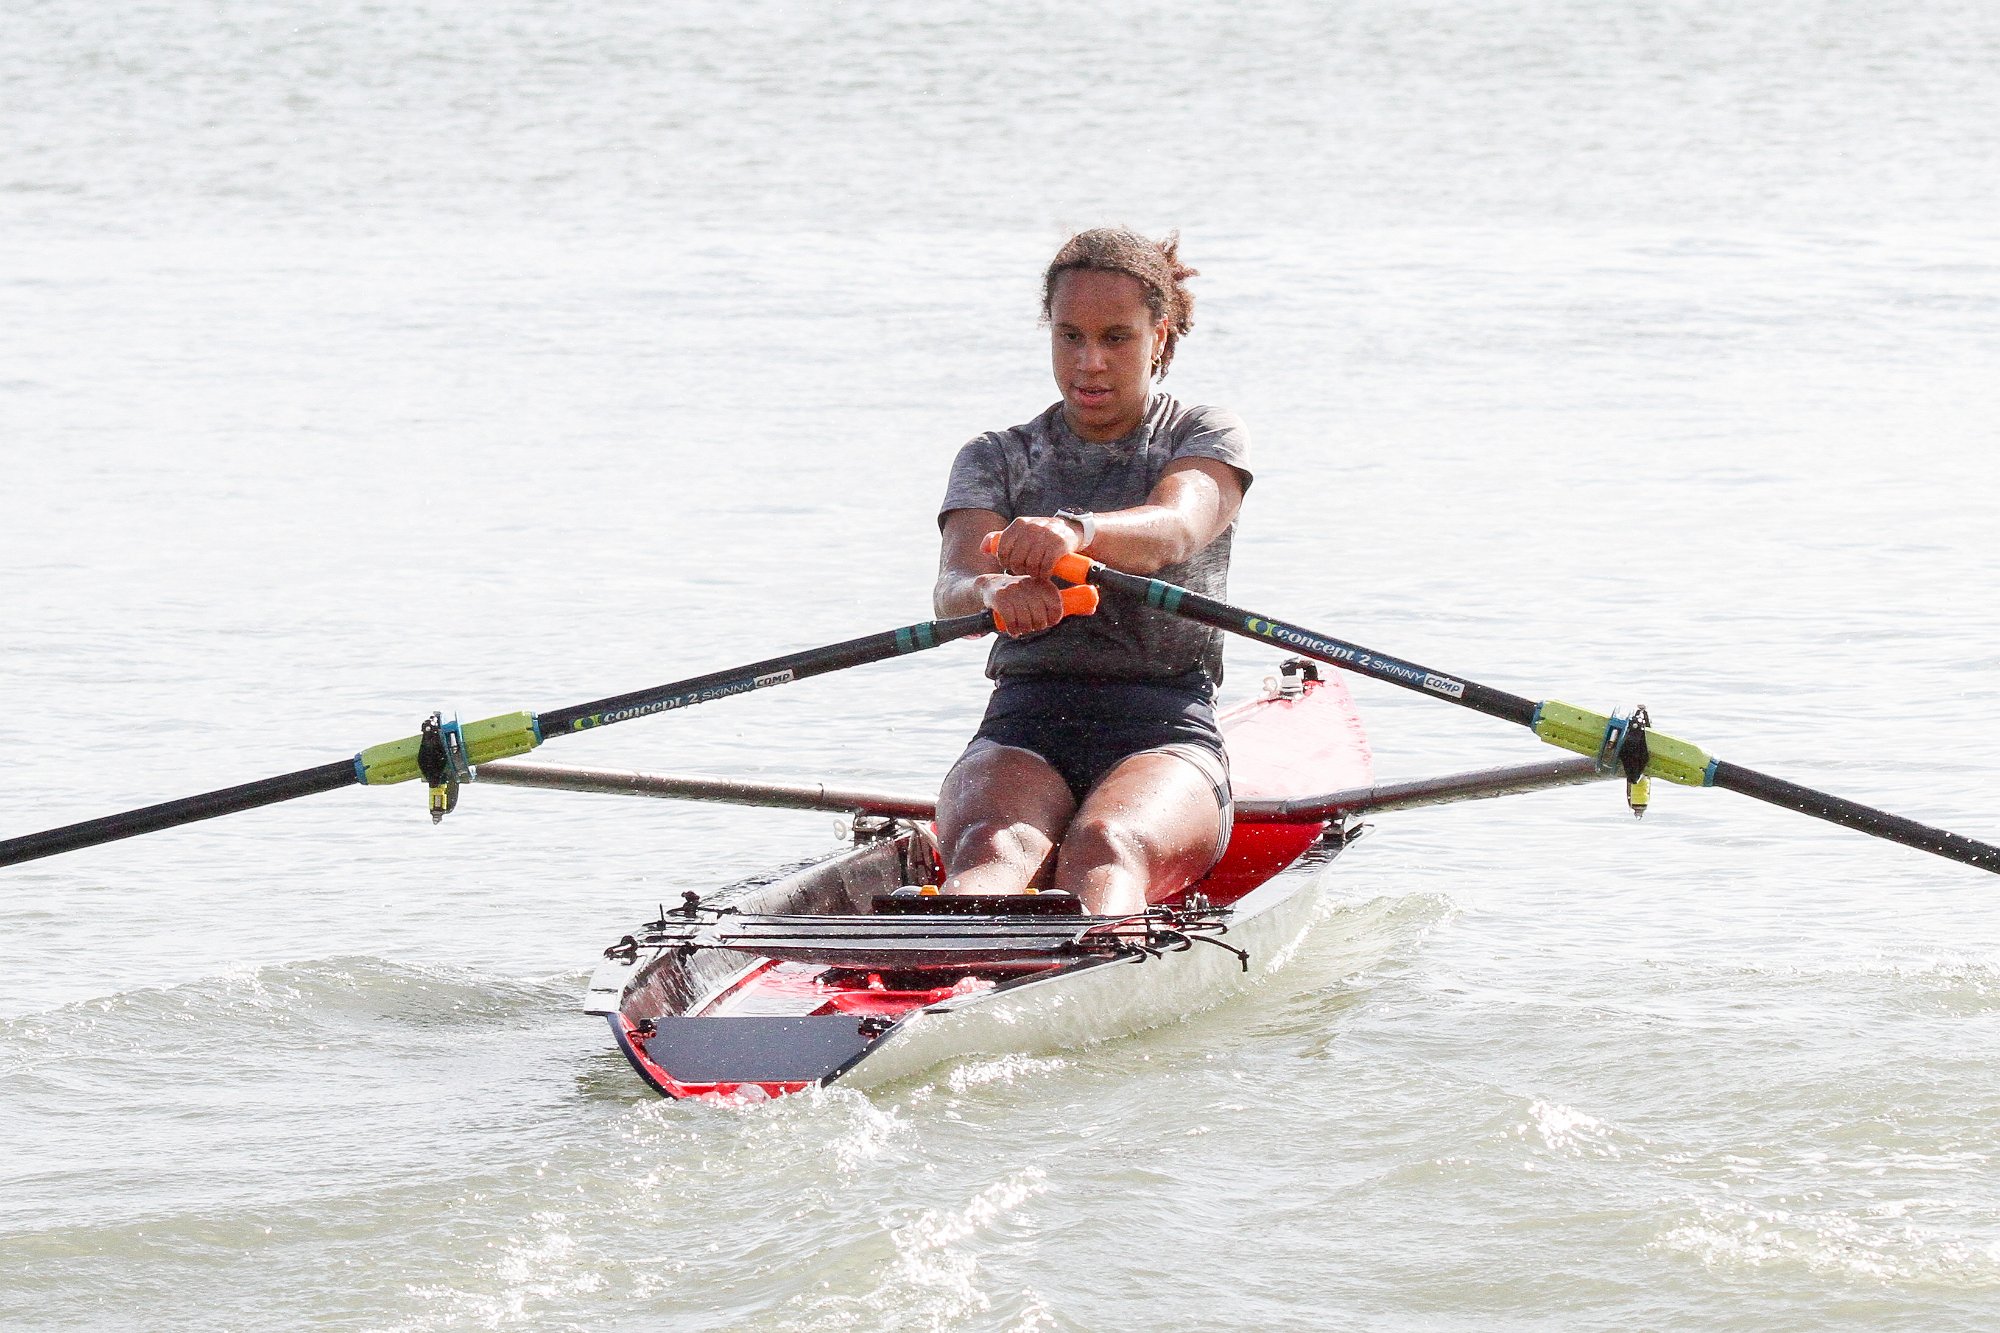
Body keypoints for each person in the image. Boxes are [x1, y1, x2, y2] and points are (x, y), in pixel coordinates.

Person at [932, 227, 1252, 917]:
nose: (1090, 363)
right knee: (994, 846)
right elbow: (953, 591)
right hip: (1023, 722)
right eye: (1070, 336)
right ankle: (939, 989)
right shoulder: (996, 456)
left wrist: (1076, 530)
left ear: (1159, 336)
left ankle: (1083, 981)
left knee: (1106, 843)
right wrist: (996, 591)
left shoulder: (1201, 434)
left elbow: (1175, 528)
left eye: (1116, 337)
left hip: (1167, 724)